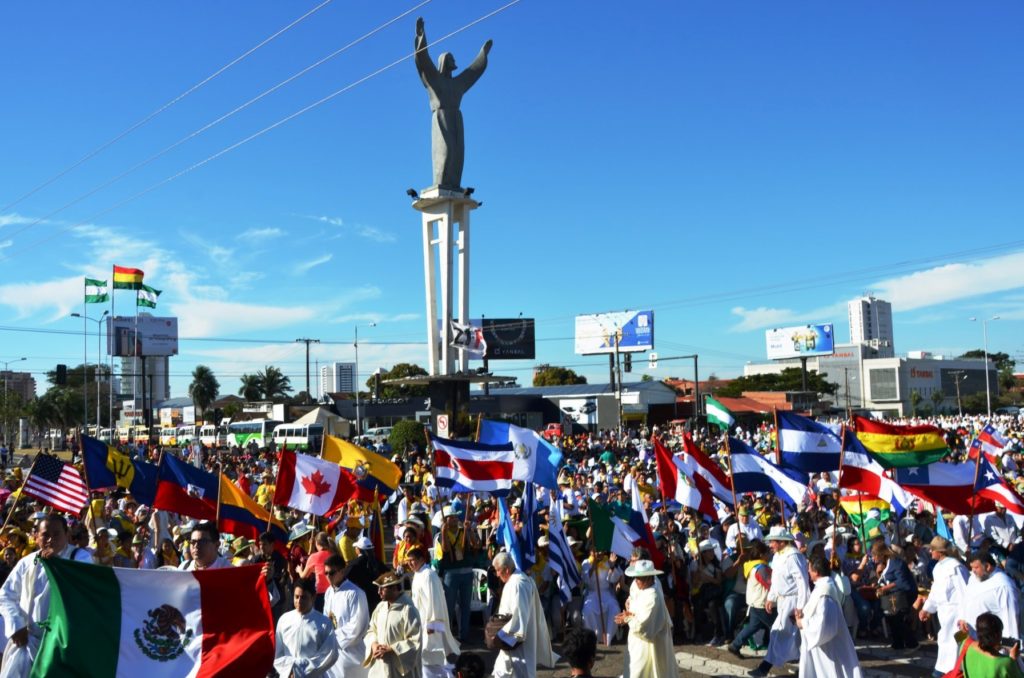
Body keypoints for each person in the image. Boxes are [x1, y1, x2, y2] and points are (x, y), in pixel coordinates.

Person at [0, 515, 92, 677]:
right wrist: (16, 624)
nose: (50, 539)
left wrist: (56, 566)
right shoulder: (27, 562)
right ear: (37, 537)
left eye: (56, 534)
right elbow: (6, 595)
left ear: (67, 535)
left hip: (61, 644)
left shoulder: (79, 557)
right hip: (28, 640)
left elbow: (82, 588)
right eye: (45, 535)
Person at [413, 17, 493, 191]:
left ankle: (454, 184)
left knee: (458, 154)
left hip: (456, 120)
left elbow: (473, 71)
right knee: (446, 152)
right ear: (444, 62)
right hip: (441, 119)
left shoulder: (458, 84)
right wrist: (421, 36)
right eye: (451, 59)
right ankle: (440, 183)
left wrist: (483, 54)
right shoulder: (434, 81)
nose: (454, 62)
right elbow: (423, 60)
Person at [750, 526, 809, 678]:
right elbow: (775, 580)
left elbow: (802, 582)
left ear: (782, 542)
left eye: (772, 542)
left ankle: (764, 668)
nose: (770, 545)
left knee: (778, 633)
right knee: (795, 637)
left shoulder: (793, 557)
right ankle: (806, 667)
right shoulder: (777, 556)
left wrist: (801, 606)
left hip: (793, 601)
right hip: (783, 601)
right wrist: (771, 597)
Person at [793, 555, 862, 678]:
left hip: (828, 648)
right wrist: (804, 614)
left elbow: (823, 624)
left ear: (817, 572)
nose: (808, 571)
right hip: (822, 647)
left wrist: (802, 623)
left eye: (809, 569)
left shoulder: (825, 592)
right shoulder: (822, 586)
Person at [491, 551, 557, 678]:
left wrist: (500, 636)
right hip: (510, 642)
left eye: (498, 570)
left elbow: (519, 617)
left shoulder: (518, 584)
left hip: (517, 643)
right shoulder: (517, 580)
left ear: (506, 570)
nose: (497, 575)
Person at [615, 559, 678, 678]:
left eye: (640, 578)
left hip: (649, 643)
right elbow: (633, 598)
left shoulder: (652, 597)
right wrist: (629, 607)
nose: (637, 580)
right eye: (636, 577)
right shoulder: (639, 586)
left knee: (641, 671)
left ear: (649, 578)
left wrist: (627, 618)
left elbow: (643, 626)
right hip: (637, 640)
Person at [919, 536, 970, 675]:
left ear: (940, 551)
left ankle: (951, 673)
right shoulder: (937, 568)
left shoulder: (956, 567)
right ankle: (944, 671)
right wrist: (927, 609)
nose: (930, 552)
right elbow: (935, 591)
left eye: (932, 550)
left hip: (956, 614)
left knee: (954, 645)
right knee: (944, 643)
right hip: (944, 614)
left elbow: (965, 592)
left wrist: (965, 616)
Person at [407, 546, 458, 678]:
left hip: (431, 624)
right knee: (425, 659)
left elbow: (434, 601)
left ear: (422, 559)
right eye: (408, 561)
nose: (410, 563)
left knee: (436, 655)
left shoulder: (428, 575)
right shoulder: (418, 574)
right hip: (421, 622)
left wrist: (432, 625)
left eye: (412, 560)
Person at [274, 577, 339, 678]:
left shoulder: (324, 623)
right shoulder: (284, 620)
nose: (299, 601)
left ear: (313, 597)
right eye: (296, 597)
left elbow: (329, 654)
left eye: (303, 597)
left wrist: (302, 671)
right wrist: (289, 670)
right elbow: (278, 653)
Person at [364, 570, 422, 677]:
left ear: (394, 588)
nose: (378, 592)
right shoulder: (380, 608)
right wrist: (374, 644)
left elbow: (415, 641)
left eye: (382, 589)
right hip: (380, 666)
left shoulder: (408, 610)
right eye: (378, 588)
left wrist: (392, 649)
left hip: (399, 668)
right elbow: (372, 630)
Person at [323, 554, 369, 678]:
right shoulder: (328, 592)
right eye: (325, 573)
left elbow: (357, 626)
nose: (328, 577)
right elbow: (326, 619)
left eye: (331, 573)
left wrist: (333, 638)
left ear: (342, 571)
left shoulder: (355, 593)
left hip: (351, 655)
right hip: (332, 654)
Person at [960, 551, 1021, 642]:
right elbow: (966, 599)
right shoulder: (974, 578)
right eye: (972, 567)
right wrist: (963, 618)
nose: (973, 571)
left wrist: (1009, 645)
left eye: (976, 567)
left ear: (987, 566)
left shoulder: (1003, 585)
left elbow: (1010, 617)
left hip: (991, 642)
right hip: (971, 638)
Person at [727, 540, 773, 659]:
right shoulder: (761, 568)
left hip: (754, 602)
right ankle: (779, 651)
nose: (769, 555)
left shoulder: (752, 565)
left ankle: (735, 645)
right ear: (761, 555)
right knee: (777, 627)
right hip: (761, 604)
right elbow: (770, 584)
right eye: (767, 552)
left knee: (753, 626)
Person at [874, 542, 918, 650]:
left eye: (875, 555)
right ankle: (898, 644)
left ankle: (912, 643)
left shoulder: (896, 563)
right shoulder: (885, 564)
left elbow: (901, 582)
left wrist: (885, 588)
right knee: (890, 617)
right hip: (894, 594)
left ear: (881, 555)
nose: (873, 558)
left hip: (906, 593)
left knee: (897, 618)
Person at [955, 613, 1024, 678]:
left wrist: (993, 648)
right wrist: (1013, 659)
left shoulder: (965, 645)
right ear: (997, 635)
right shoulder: (1005, 663)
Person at [582, 549, 622, 645]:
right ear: (591, 551)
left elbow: (613, 579)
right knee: (587, 610)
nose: (599, 553)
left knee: (615, 608)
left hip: (606, 592)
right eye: (597, 551)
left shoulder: (607, 562)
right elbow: (587, 580)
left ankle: (608, 636)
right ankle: (593, 637)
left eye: (601, 551)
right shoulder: (586, 562)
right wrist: (594, 565)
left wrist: (612, 566)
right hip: (592, 593)